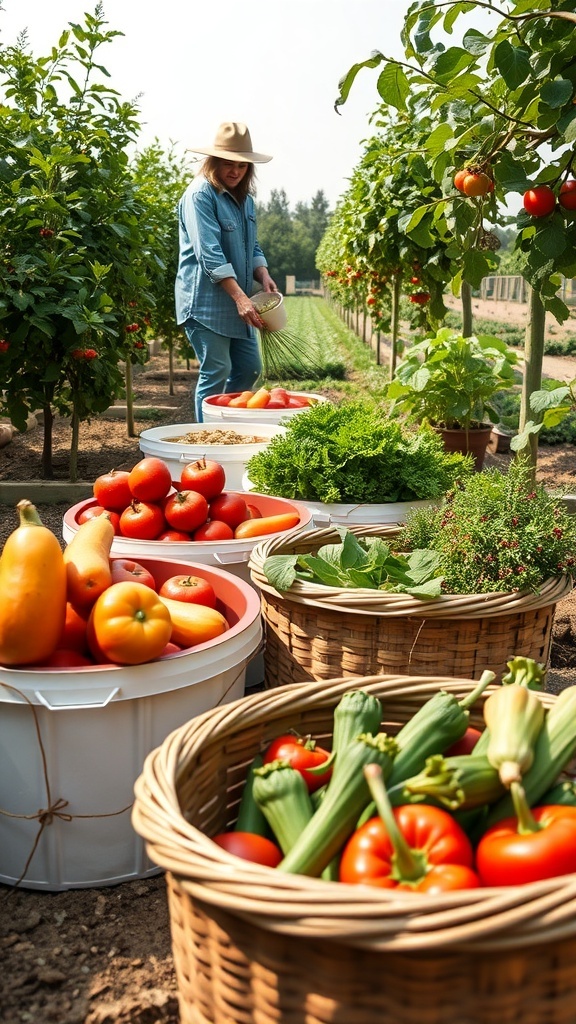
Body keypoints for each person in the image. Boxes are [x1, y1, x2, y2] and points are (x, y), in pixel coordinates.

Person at [175, 121, 279, 421]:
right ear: (213, 162)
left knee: (250, 369)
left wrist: (263, 274)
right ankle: (205, 440)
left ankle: (227, 422)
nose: (235, 172)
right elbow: (210, 254)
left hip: (239, 302)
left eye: (242, 166)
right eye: (227, 164)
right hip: (206, 303)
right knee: (216, 370)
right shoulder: (200, 196)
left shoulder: (244, 200)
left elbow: (252, 246)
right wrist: (240, 298)